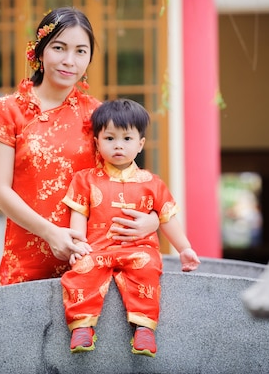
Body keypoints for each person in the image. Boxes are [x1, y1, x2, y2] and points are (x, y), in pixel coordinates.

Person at [0, 7, 159, 285]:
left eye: (80, 51)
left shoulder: (99, 115)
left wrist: (152, 219)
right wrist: (51, 233)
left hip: (91, 261)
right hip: (27, 262)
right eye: (59, 47)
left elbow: (127, 179)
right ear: (40, 51)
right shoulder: (9, 110)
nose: (69, 60)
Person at [61, 99, 201, 357]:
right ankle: (82, 326)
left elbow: (167, 218)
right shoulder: (85, 180)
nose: (118, 145)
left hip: (138, 250)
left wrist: (185, 248)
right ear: (97, 143)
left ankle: (144, 330)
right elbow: (78, 214)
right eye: (110, 138)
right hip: (97, 249)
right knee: (81, 269)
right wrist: (77, 245)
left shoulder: (153, 183)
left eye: (127, 139)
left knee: (148, 268)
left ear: (140, 144)